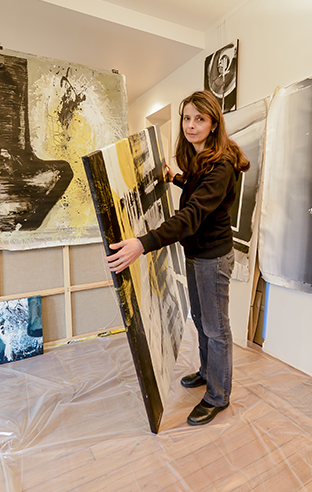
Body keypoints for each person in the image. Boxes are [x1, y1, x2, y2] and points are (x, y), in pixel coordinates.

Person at [106, 90, 250, 426]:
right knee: (200, 319)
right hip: (197, 253)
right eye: (187, 118)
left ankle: (218, 395)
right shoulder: (203, 159)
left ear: (213, 124)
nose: (190, 125)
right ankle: (207, 372)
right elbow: (200, 191)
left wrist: (143, 243)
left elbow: (192, 214)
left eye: (200, 119)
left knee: (216, 328)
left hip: (213, 258)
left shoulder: (222, 165)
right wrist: (177, 179)